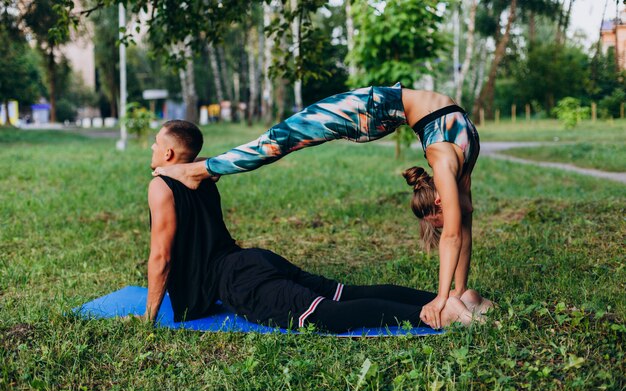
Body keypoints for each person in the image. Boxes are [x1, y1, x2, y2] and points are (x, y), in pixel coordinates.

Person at [153, 84, 485, 329]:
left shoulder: (451, 163)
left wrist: (456, 292)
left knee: (277, 142)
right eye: (439, 220)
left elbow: (460, 228)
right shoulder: (446, 160)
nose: (445, 223)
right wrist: (443, 299)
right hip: (367, 107)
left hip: (384, 110)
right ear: (440, 198)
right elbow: (453, 234)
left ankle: (463, 299)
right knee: (276, 142)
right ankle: (198, 169)